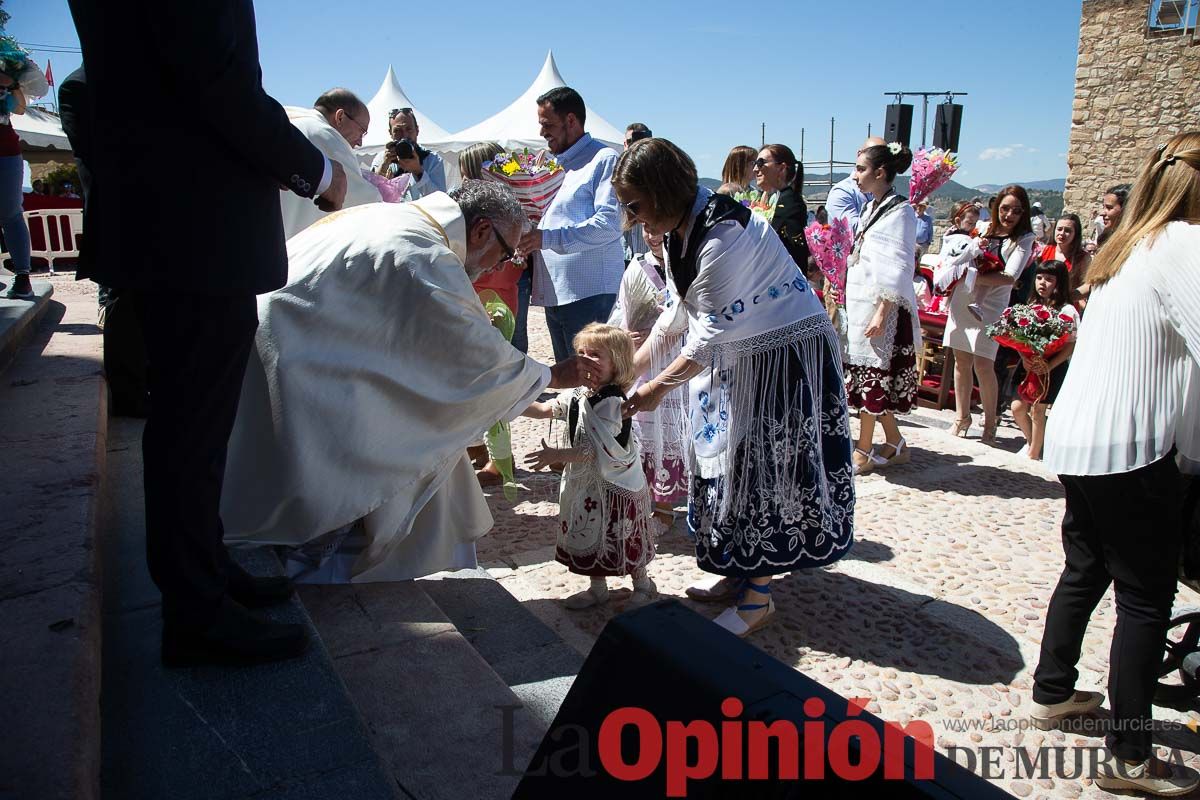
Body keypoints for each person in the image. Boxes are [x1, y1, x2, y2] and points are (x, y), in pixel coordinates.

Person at [66, 0, 349, 667]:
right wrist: (320, 173)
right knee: (190, 430)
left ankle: (204, 569)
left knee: (190, 426)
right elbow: (216, 82)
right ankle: (195, 609)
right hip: (195, 232)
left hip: (177, 228)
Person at [221, 182, 601, 582]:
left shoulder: (394, 217)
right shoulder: (426, 253)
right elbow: (472, 354)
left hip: (284, 345)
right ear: (482, 231)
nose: (501, 266)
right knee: (402, 446)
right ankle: (324, 569)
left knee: (430, 439)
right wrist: (554, 375)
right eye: (506, 253)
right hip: (301, 368)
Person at [614, 138, 854, 637]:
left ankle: (758, 598)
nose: (632, 217)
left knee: (759, 465)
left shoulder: (720, 232)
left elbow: (707, 334)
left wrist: (653, 388)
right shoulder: (684, 230)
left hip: (781, 358)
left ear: (662, 191)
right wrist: (626, 372)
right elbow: (677, 314)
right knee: (725, 457)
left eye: (635, 205)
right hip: (742, 356)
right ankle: (740, 572)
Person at [1033, 132, 1200, 797]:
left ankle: (1054, 691)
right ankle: (1131, 755)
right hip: (1135, 447)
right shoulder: (1185, 245)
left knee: (1087, 567)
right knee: (1145, 596)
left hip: (1082, 441)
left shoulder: (1123, 250)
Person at [523, 323, 657, 609]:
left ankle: (643, 583)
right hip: (586, 484)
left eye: (595, 355)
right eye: (581, 353)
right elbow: (546, 409)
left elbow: (594, 452)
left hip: (614, 484)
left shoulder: (610, 402)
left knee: (621, 533)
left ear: (617, 362)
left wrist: (556, 455)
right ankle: (598, 587)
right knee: (590, 531)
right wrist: (510, 402)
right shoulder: (578, 394)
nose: (586, 360)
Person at [517, 87, 624, 363]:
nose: (542, 133)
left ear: (571, 121)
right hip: (556, 295)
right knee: (571, 386)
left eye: (547, 125)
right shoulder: (551, 166)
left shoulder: (604, 160)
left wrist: (546, 239)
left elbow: (609, 225)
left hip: (589, 295)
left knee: (594, 385)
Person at [842, 142, 919, 474]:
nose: (855, 175)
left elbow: (897, 265)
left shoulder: (900, 211)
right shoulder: (870, 208)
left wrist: (882, 312)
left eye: (860, 169)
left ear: (880, 173)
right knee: (863, 376)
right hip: (861, 303)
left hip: (881, 308)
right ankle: (895, 443)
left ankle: (864, 448)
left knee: (874, 375)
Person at [940, 186, 1036, 442]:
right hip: (963, 298)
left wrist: (976, 277)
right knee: (961, 360)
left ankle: (990, 422)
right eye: (1005, 208)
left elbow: (1010, 276)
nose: (1009, 215)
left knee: (984, 364)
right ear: (996, 208)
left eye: (1016, 210)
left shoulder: (1024, 238)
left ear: (1023, 212)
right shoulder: (982, 228)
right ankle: (962, 417)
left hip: (991, 303)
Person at [607, 228, 687, 524]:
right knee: (643, 429)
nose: (653, 236)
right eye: (647, 229)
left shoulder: (686, 264)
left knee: (673, 431)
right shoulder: (636, 269)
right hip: (644, 363)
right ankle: (644, 501)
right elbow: (621, 311)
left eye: (659, 229)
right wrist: (623, 336)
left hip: (679, 364)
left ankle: (665, 508)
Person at [280, 88, 380, 240]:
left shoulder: (284, 124)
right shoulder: (326, 136)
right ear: (340, 117)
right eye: (361, 131)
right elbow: (367, 202)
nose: (360, 142)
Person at [1008, 260, 1077, 460]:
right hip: (1029, 363)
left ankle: (1033, 453)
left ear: (1059, 283)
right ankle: (1033, 442)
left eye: (1049, 279)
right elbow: (1018, 337)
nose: (1042, 283)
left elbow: (1070, 343)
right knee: (1018, 407)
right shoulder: (1032, 306)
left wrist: (1049, 365)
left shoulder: (1066, 311)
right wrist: (1024, 356)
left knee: (1039, 410)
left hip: (1051, 365)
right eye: (1039, 278)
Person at [1, 57, 48, 300]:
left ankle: (22, 277)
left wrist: (11, 85)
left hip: (5, 153)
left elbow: (19, 108)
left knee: (10, 213)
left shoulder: (4, 72)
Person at [751, 143, 810, 270]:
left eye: (761, 162)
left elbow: (794, 251)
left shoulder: (790, 203)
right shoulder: (775, 199)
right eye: (755, 163)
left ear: (781, 168)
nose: (755, 169)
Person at [371, 107, 447, 198]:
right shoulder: (382, 159)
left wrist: (418, 172)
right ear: (390, 133)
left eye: (409, 129)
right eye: (397, 131)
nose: (404, 135)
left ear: (417, 130)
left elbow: (441, 200)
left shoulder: (432, 160)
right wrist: (381, 171)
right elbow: (370, 196)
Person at [825, 137, 883, 231]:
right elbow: (854, 231)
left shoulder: (885, 195)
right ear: (860, 154)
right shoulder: (841, 192)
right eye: (874, 155)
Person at [621, 123, 651, 261]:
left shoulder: (657, 175)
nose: (633, 147)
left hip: (649, 255)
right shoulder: (615, 174)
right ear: (624, 144)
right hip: (622, 254)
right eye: (630, 142)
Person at [1039, 212, 1090, 292]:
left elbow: (1087, 284)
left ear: (1075, 234)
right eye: (1059, 229)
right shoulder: (1044, 251)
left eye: (1067, 231)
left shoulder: (1082, 258)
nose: (1062, 233)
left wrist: (1067, 297)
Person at [1086, 183, 1130, 254]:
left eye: (1109, 208)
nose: (1102, 213)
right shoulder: (1105, 239)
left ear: (1125, 209)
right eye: (1104, 207)